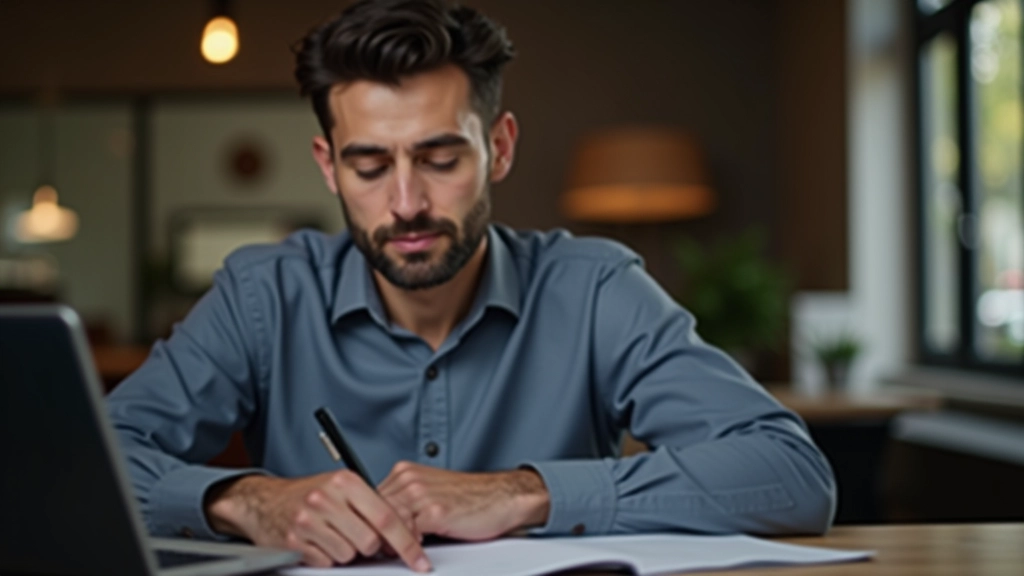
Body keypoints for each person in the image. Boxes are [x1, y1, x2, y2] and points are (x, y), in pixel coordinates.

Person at [107, 0, 836, 571]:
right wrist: (246, 501)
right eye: (369, 167)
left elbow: (793, 476)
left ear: (500, 147)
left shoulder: (594, 289)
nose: (406, 204)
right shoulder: (262, 295)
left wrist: (519, 493)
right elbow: (85, 464)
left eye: (439, 159)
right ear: (329, 166)